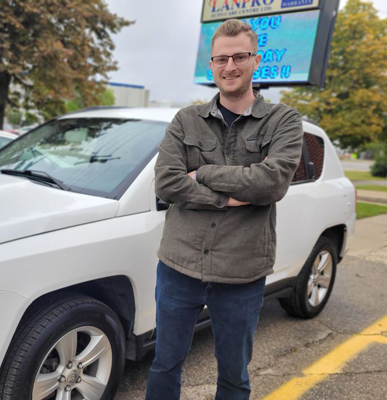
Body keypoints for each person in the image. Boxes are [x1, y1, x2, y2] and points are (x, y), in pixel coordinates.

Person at [145, 19, 303, 400]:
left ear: (255, 60)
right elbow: (167, 182)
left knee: (233, 374)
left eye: (239, 57)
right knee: (165, 365)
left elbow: (272, 183)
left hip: (241, 272)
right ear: (211, 65)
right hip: (178, 267)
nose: (229, 66)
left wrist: (204, 173)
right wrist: (226, 196)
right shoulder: (186, 120)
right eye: (221, 59)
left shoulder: (285, 121)